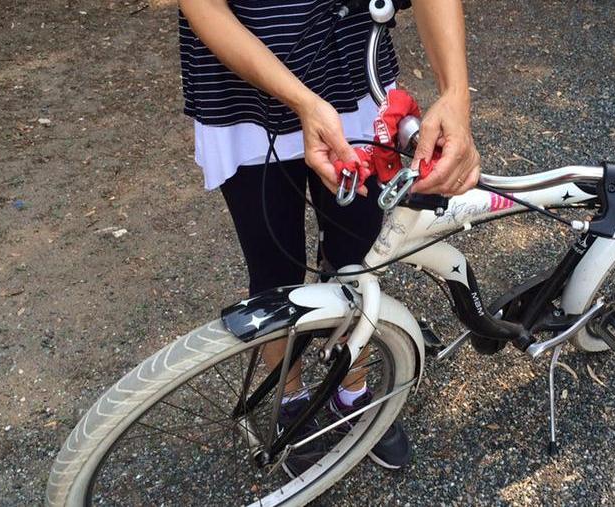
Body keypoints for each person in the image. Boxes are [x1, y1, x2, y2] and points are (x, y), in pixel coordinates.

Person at [177, 0, 480, 476]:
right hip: (245, 101)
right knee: (275, 271)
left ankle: (351, 388)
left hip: (353, 83)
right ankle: (290, 397)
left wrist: (456, 94)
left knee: (357, 257)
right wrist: (301, 102)